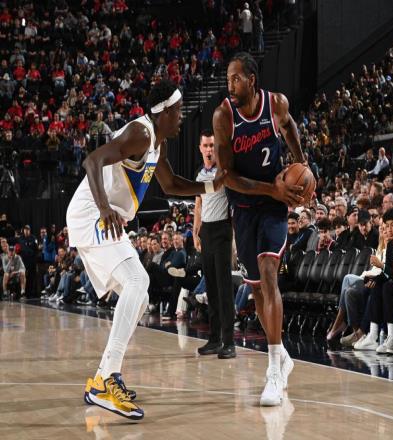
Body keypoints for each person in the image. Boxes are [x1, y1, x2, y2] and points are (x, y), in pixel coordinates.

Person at [66, 80, 224, 420]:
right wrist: (104, 207)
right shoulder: (140, 132)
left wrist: (214, 186)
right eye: (178, 111)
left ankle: (102, 379)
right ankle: (110, 379)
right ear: (163, 113)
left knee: (139, 295)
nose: (181, 117)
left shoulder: (157, 143)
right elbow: (92, 161)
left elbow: (172, 184)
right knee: (138, 281)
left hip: (108, 217)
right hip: (92, 213)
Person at [213, 52, 306, 406]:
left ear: (252, 80)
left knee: (269, 274)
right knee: (255, 290)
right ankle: (281, 356)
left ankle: (273, 371)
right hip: (244, 206)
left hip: (273, 207)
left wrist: (301, 162)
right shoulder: (224, 116)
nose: (230, 85)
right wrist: (271, 189)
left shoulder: (275, 103)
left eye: (236, 78)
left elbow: (290, 127)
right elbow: (227, 176)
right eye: (228, 79)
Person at [193, 130, 235, 359]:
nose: (209, 149)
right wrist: (195, 231)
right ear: (200, 148)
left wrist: (234, 237)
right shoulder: (199, 174)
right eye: (206, 146)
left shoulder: (224, 171)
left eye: (212, 145)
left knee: (224, 287)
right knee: (210, 287)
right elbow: (198, 205)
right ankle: (214, 338)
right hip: (206, 231)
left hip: (222, 229)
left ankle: (229, 342)